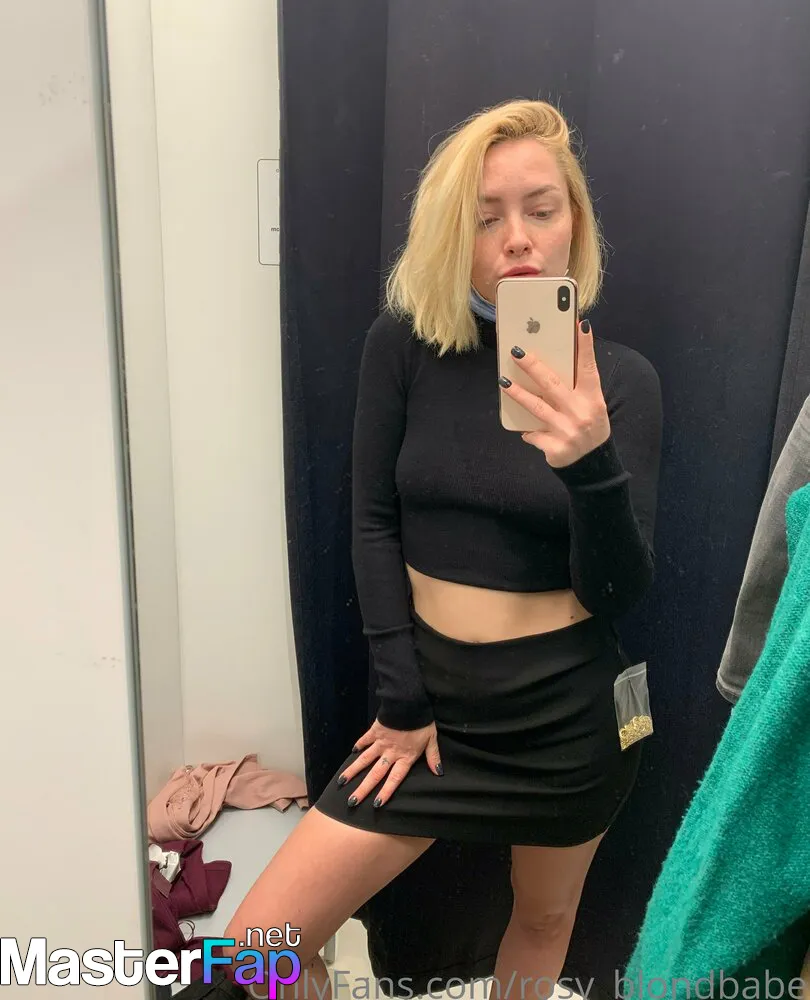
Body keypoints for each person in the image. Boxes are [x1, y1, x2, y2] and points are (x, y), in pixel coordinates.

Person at [189, 99, 663, 1000]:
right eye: (485, 218)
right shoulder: (403, 349)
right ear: (453, 234)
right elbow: (371, 523)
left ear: (574, 223)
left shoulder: (623, 382)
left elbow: (617, 592)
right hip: (431, 717)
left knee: (544, 921)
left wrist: (590, 464)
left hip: (569, 724)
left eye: (541, 209)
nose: (517, 238)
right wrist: (402, 698)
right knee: (252, 959)